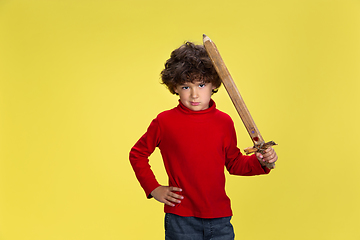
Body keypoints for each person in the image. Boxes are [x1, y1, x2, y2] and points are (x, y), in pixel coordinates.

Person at [129, 41, 278, 240]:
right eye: (185, 86)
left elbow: (234, 164)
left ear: (214, 84)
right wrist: (153, 188)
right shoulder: (164, 122)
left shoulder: (224, 122)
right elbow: (137, 154)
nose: (194, 94)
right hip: (181, 218)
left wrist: (261, 161)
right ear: (174, 87)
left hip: (219, 217)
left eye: (201, 85)